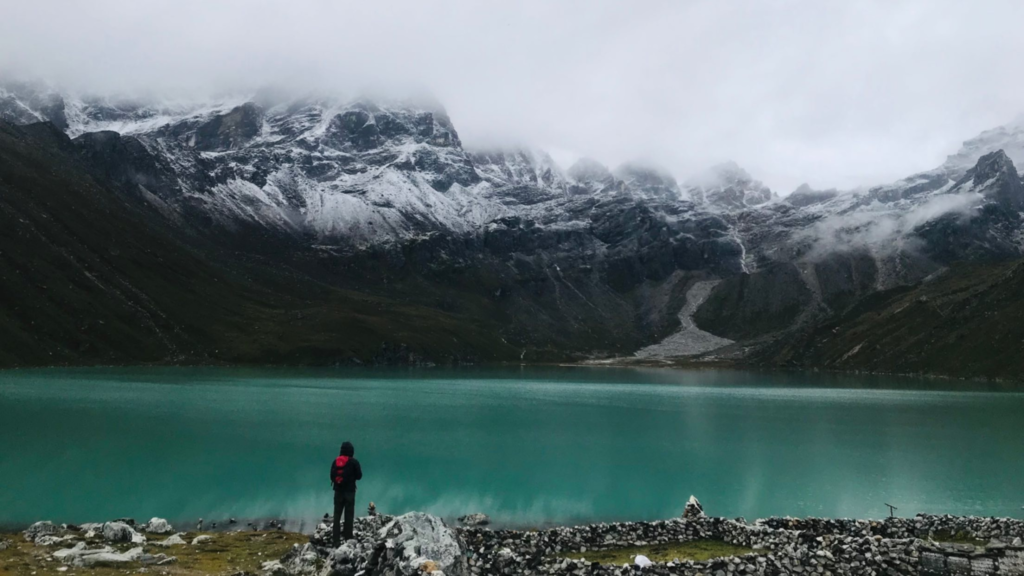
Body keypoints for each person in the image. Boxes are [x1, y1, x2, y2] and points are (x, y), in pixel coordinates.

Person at [330, 441, 363, 546]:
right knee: (348, 516)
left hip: (338, 492)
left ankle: (336, 541)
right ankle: (348, 539)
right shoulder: (354, 462)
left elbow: (331, 476)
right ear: (351, 451)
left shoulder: (335, 461)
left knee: (336, 516)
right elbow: (359, 476)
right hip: (350, 492)